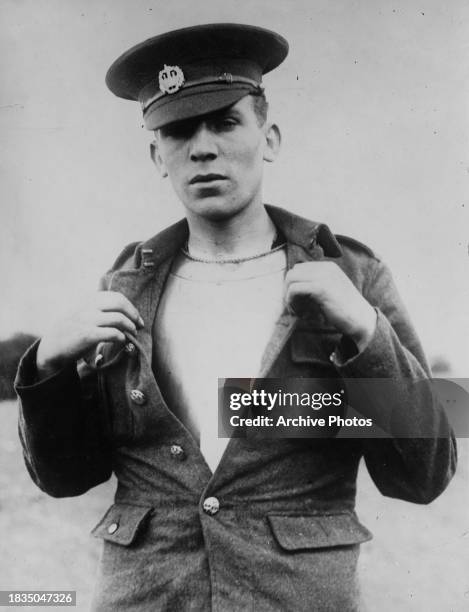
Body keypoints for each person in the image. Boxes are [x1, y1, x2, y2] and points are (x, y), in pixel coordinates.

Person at [15, 23, 456, 612]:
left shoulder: (353, 277)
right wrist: (47, 367)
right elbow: (64, 478)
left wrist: (366, 332)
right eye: (176, 131)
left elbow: (424, 475)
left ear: (269, 137)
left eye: (225, 122)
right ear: (156, 155)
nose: (201, 148)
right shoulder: (124, 288)